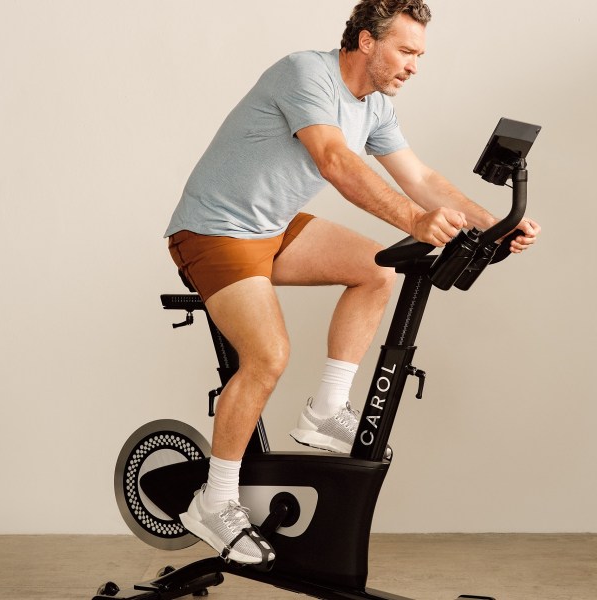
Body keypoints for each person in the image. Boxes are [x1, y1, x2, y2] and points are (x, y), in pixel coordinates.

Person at [164, 0, 541, 565]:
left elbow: (421, 178)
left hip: (273, 228)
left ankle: (324, 411)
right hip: (214, 230)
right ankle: (213, 502)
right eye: (407, 51)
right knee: (268, 357)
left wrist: (496, 223)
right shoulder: (304, 73)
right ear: (367, 41)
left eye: (420, 54)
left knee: (377, 267)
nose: (415, 65)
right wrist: (413, 220)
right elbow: (335, 161)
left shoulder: (376, 107)